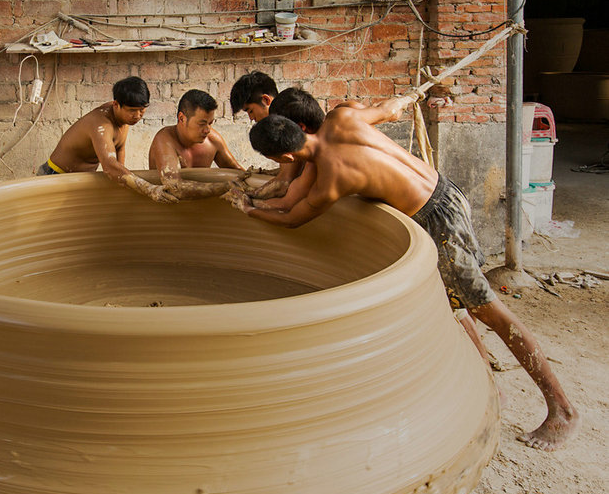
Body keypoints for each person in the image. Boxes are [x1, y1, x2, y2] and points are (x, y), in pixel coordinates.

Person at [224, 87, 580, 451]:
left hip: (435, 224)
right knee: (451, 305)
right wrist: (412, 98)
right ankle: (489, 385)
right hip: (446, 192)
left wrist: (249, 211)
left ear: (286, 153)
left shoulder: (333, 178)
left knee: (490, 311)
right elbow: (389, 108)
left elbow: (292, 218)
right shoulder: (342, 117)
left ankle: (561, 410)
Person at [36, 76, 176, 203]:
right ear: (116, 105)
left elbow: (119, 149)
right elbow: (109, 166)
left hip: (80, 179)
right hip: (55, 176)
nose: (138, 116)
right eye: (132, 110)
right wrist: (148, 188)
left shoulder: (123, 117)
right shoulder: (101, 124)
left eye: (142, 110)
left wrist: (122, 185)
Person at [148, 89, 245, 200]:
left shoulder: (213, 140)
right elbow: (173, 187)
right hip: (169, 211)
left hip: (202, 209)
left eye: (210, 123)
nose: (207, 130)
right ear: (182, 118)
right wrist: (225, 187)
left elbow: (239, 173)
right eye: (202, 124)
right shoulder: (164, 140)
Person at [230, 71, 302, 200]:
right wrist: (265, 173)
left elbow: (284, 184)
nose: (251, 118)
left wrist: (247, 195)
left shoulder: (287, 123)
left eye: (250, 111)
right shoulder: (282, 116)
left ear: (266, 99)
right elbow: (290, 170)